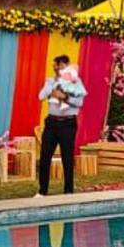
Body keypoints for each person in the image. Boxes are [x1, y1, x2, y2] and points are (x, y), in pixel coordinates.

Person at [37, 55, 87, 197]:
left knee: (67, 156)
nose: (59, 68)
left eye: (62, 66)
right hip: (52, 123)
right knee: (45, 156)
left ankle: (68, 190)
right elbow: (41, 96)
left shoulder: (76, 82)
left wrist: (65, 97)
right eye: (57, 66)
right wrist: (52, 87)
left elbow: (80, 103)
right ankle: (42, 191)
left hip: (68, 123)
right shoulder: (50, 81)